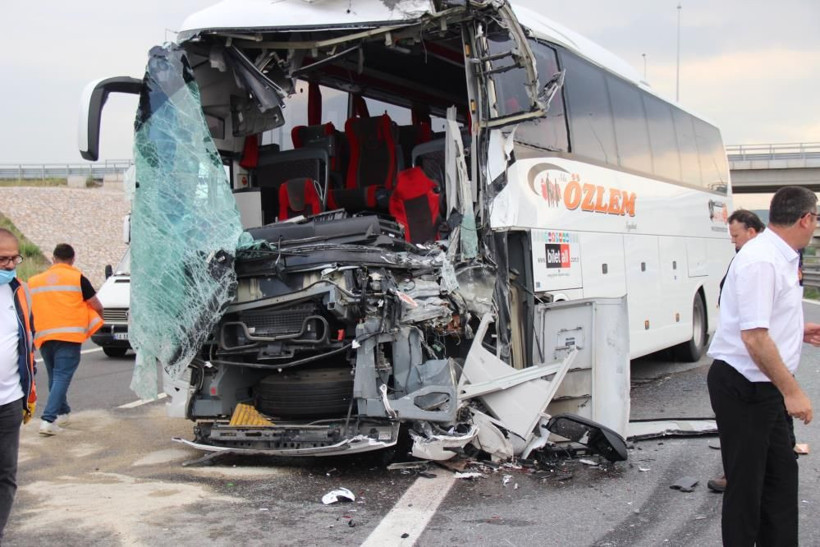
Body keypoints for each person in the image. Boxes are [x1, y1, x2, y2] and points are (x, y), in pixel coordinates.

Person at [707, 186, 820, 545]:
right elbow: (754, 338)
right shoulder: (762, 260)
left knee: (780, 481)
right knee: (747, 489)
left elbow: (759, 321)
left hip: (763, 386)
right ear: (805, 219)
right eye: (815, 218)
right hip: (745, 386)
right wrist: (794, 392)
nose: (815, 226)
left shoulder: (781, 255)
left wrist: (795, 330)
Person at [709, 209, 765, 492]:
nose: (733, 241)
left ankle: (738, 475)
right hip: (748, 357)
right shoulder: (751, 257)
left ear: (751, 231)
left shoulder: (757, 261)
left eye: (735, 235)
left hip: (750, 359)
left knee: (743, 424)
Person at [28, 243, 103, 436]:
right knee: (61, 376)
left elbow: (31, 310)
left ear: (53, 259)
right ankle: (48, 420)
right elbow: (96, 304)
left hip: (44, 335)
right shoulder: (77, 278)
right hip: (69, 336)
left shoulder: (35, 281)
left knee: (54, 375)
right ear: (72, 260)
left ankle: (63, 412)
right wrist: (96, 319)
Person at [0, 228, 36, 542]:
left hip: (10, 402)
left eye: (15, 258)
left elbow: (26, 343)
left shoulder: (19, 291)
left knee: (6, 477)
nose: (11, 265)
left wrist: (29, 393)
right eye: (3, 259)